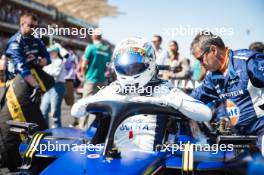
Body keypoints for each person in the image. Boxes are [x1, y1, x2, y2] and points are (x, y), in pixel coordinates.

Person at [71, 37, 212, 152]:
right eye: (125, 65)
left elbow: (205, 113)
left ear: (149, 63)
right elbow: (76, 111)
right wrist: (93, 102)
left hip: (151, 160)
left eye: (135, 65)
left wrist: (169, 101)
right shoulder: (113, 89)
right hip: (114, 156)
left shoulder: (163, 88)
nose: (130, 70)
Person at [190, 31, 264, 153]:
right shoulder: (212, 77)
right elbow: (193, 98)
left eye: (200, 59)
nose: (200, 64)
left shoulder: (248, 62)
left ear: (213, 50)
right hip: (242, 140)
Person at [0, 12, 54, 171]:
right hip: (15, 90)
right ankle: (10, 160)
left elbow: (47, 59)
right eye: (30, 26)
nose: (34, 29)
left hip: (31, 87)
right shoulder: (15, 43)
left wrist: (39, 61)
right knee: (10, 125)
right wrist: (36, 85)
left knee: (34, 124)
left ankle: (36, 159)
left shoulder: (37, 40)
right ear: (22, 24)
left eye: (36, 26)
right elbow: (22, 69)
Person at [40, 45, 66, 128]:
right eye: (49, 52)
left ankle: (57, 132)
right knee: (43, 110)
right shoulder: (48, 61)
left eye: (52, 51)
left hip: (57, 86)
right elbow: (44, 72)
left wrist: (43, 73)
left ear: (56, 52)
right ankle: (45, 130)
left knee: (55, 112)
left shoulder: (59, 61)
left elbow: (55, 74)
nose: (50, 53)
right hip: (49, 87)